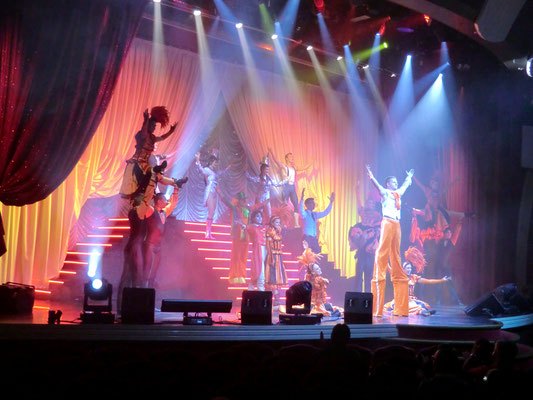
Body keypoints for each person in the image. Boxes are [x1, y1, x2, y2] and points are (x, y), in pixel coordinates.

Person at [366, 164, 414, 317]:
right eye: (393, 182)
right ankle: (377, 307)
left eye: (396, 182)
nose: (395, 183)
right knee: (382, 253)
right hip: (387, 222)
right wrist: (371, 176)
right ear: (388, 184)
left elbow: (404, 187)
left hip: (397, 224)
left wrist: (409, 178)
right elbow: (378, 186)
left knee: (396, 255)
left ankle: (400, 308)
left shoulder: (397, 194)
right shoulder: (385, 193)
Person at [120, 106, 178, 200]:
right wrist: (146, 120)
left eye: (155, 126)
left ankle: (167, 179)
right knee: (145, 177)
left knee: (152, 176)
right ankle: (140, 194)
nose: (154, 128)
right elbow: (144, 130)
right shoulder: (142, 135)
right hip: (137, 163)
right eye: (153, 126)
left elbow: (162, 137)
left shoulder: (152, 137)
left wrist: (171, 131)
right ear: (148, 125)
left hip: (145, 163)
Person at [384, 246, 451, 316]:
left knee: (423, 305)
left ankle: (424, 312)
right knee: (412, 307)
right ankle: (422, 312)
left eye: (410, 268)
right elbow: (390, 270)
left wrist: (442, 280)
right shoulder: (399, 277)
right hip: (401, 299)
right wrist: (385, 258)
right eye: (407, 268)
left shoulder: (414, 277)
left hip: (411, 299)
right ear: (403, 269)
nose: (409, 269)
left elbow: (428, 281)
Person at [218, 190, 266, 285]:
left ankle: (242, 276)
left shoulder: (247, 209)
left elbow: (256, 207)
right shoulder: (235, 208)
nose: (243, 201)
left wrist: (265, 202)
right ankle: (235, 276)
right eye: (241, 200)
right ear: (238, 200)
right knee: (236, 256)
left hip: (246, 235)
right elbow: (226, 201)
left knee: (244, 256)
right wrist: (220, 193)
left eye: (244, 200)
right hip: (237, 234)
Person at [143, 178, 181, 288]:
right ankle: (143, 286)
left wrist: (176, 190)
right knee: (148, 265)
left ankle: (151, 284)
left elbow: (173, 204)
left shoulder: (164, 212)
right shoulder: (151, 210)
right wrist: (151, 186)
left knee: (155, 267)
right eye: (165, 200)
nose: (167, 201)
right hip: (149, 244)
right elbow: (144, 203)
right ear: (159, 201)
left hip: (158, 245)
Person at [268, 149, 312, 228]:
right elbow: (276, 161)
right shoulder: (284, 166)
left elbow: (303, 168)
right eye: (290, 157)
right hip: (286, 187)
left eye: (292, 157)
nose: (292, 158)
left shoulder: (294, 168)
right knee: (284, 205)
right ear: (286, 158)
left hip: (292, 188)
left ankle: (296, 223)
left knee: (296, 205)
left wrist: (311, 162)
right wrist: (271, 152)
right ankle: (283, 223)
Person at [348, 200, 382, 293]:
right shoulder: (357, 226)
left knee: (369, 279)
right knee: (358, 278)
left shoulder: (377, 227)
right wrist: (362, 237)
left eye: (370, 213)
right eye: (366, 213)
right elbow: (355, 242)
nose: (368, 215)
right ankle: (357, 297)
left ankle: (368, 298)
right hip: (361, 255)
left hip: (371, 256)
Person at [195, 150, 230, 239]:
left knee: (212, 212)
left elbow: (220, 174)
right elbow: (201, 170)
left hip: (214, 193)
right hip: (209, 192)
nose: (216, 164)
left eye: (216, 163)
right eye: (215, 162)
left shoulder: (213, 172)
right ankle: (207, 233)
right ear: (211, 162)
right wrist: (198, 160)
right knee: (211, 212)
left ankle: (209, 233)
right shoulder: (207, 170)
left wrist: (227, 168)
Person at [431, 217, 465, 306]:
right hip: (439, 267)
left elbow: (457, 232)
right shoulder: (439, 243)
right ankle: (438, 301)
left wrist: (459, 223)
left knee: (450, 284)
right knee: (438, 284)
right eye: (447, 233)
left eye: (450, 233)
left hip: (447, 267)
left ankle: (456, 301)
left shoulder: (452, 242)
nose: (449, 234)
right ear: (444, 234)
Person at [246, 156, 285, 221]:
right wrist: (245, 172)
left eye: (268, 169)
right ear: (262, 169)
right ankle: (257, 224)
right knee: (258, 213)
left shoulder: (269, 179)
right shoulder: (259, 178)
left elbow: (276, 184)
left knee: (269, 214)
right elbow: (250, 179)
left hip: (267, 199)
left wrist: (285, 181)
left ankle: (269, 225)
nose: (267, 171)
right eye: (266, 169)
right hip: (260, 198)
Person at [299, 188, 335, 254]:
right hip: (307, 238)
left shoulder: (315, 214)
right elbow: (300, 210)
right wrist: (301, 199)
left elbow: (325, 212)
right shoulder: (305, 213)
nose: (314, 204)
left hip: (314, 239)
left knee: (317, 254)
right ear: (307, 205)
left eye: (314, 203)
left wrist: (331, 202)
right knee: (306, 255)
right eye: (312, 203)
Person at [265, 215, 288, 306]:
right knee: (272, 277)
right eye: (276, 222)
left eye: (279, 222)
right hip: (272, 255)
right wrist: (271, 257)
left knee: (277, 276)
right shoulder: (270, 231)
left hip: (278, 256)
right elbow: (268, 245)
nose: (278, 224)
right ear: (272, 223)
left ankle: (276, 298)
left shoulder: (279, 231)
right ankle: (275, 298)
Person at [246, 210, 266, 291]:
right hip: (258, 249)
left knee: (264, 269)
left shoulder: (263, 228)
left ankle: (254, 289)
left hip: (265, 249)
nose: (260, 218)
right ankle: (260, 291)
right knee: (259, 270)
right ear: (253, 218)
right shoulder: (252, 227)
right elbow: (246, 228)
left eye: (261, 216)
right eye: (257, 216)